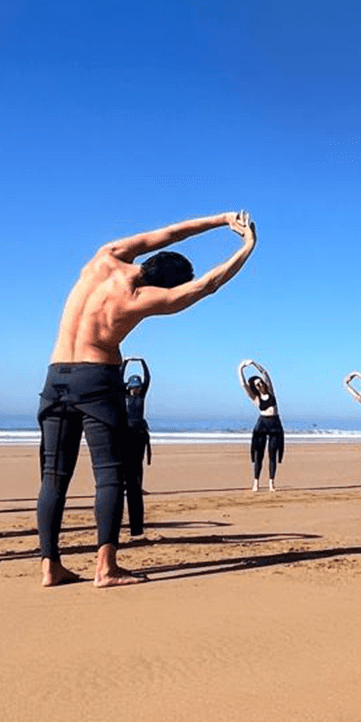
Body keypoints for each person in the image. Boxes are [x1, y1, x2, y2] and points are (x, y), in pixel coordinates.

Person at [37, 210, 256, 587]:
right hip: (96, 379)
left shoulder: (105, 256)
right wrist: (247, 246)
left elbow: (170, 233)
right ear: (164, 283)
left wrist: (221, 220)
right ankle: (105, 567)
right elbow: (207, 285)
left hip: (56, 376)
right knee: (110, 475)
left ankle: (50, 566)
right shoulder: (140, 298)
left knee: (53, 477)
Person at [239, 360, 284, 491]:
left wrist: (254, 364)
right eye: (256, 384)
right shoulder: (256, 398)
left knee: (272, 454)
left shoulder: (271, 391)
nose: (259, 385)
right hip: (262, 424)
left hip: (275, 424)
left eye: (260, 382)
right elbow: (243, 384)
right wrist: (241, 368)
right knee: (259, 454)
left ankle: (271, 483)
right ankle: (256, 482)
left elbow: (265, 372)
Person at [122, 358, 153, 539]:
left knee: (138, 463)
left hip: (140, 433)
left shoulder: (142, 396)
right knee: (127, 462)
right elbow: (119, 379)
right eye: (134, 386)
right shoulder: (123, 396)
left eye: (138, 386)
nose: (137, 388)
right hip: (127, 434)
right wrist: (125, 363)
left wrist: (142, 362)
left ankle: (138, 485)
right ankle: (128, 484)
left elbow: (148, 378)